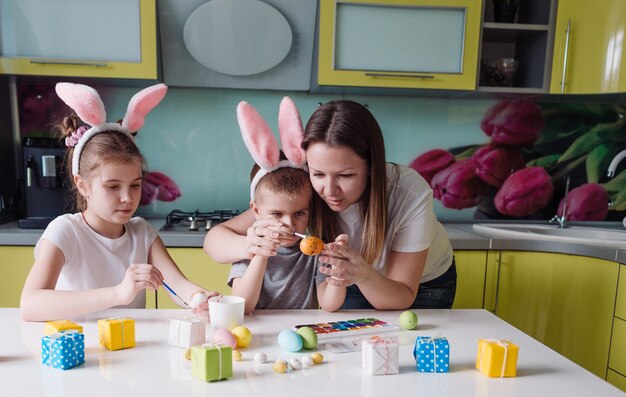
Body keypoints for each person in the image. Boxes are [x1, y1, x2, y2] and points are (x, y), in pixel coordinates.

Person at [204, 99, 456, 311]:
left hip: (421, 286)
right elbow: (214, 241)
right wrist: (251, 244)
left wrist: (363, 274)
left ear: (371, 167)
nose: (329, 190)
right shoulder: (303, 188)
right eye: (318, 173)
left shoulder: (408, 192)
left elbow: (403, 295)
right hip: (350, 280)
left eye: (345, 176)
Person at [21, 82, 218, 322]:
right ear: (83, 185)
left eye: (135, 185)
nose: (127, 198)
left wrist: (199, 297)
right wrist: (117, 293)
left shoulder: (141, 232)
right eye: (113, 187)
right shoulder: (66, 232)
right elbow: (31, 305)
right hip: (81, 352)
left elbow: (177, 284)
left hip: (129, 349)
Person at [228, 98, 321, 314]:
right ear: (257, 211)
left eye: (299, 213)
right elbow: (243, 307)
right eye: (276, 214)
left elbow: (329, 305)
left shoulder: (313, 250)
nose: (289, 223)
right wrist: (262, 253)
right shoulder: (249, 247)